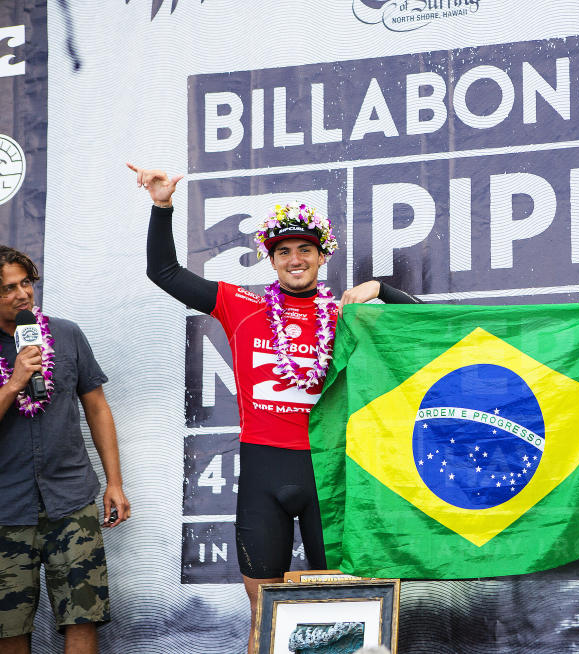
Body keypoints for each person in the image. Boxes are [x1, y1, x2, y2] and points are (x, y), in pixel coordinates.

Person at [127, 163, 422, 653]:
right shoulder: (240, 303)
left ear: (323, 255)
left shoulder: (350, 313)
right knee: (263, 612)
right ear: (271, 260)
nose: (295, 259)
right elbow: (164, 272)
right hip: (265, 468)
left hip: (329, 470)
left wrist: (382, 291)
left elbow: (429, 325)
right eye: (283, 251)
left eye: (305, 249)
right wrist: (162, 207)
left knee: (340, 612)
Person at [0, 246, 131, 654]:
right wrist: (15, 381)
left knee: (83, 616)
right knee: (9, 627)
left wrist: (114, 482)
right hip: (6, 507)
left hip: (71, 498)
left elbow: (97, 407)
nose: (23, 294)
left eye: (26, 283)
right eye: (8, 289)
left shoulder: (67, 334)